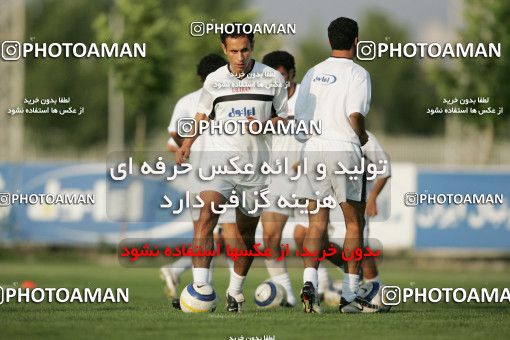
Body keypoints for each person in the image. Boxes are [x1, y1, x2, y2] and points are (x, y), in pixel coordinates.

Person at [175, 25, 288, 312]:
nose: (240, 56)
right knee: (205, 218)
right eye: (234, 50)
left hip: (255, 170)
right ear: (224, 49)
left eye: (245, 49)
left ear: (252, 47)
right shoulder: (215, 80)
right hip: (220, 163)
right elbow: (202, 115)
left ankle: (235, 291)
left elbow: (287, 119)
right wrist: (188, 143)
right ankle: (201, 287)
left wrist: (264, 124)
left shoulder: (272, 78)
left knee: (246, 236)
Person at [294, 17, 376, 313]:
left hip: (313, 150)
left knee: (317, 222)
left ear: (330, 41)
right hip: (344, 149)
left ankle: (308, 283)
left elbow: (299, 125)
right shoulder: (358, 73)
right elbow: (355, 114)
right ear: (356, 40)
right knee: (354, 223)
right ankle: (351, 297)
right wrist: (363, 136)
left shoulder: (312, 73)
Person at [160, 54, 236, 307]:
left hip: (199, 177)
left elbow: (173, 140)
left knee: (203, 234)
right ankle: (215, 293)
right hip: (230, 173)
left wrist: (187, 150)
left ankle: (200, 288)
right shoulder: (232, 97)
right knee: (226, 236)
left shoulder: (186, 102)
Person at [294, 130, 391, 310]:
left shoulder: (365, 138)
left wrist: (373, 197)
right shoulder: (321, 136)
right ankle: (323, 285)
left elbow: (384, 169)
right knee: (309, 237)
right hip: (328, 205)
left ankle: (374, 288)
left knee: (361, 253)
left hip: (353, 201)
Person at [259, 50, 301, 307]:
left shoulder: (308, 96)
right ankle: (289, 296)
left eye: (282, 77)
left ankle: (350, 285)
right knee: (270, 239)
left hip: (308, 176)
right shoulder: (262, 99)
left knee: (313, 240)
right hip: (274, 177)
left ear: (292, 74)